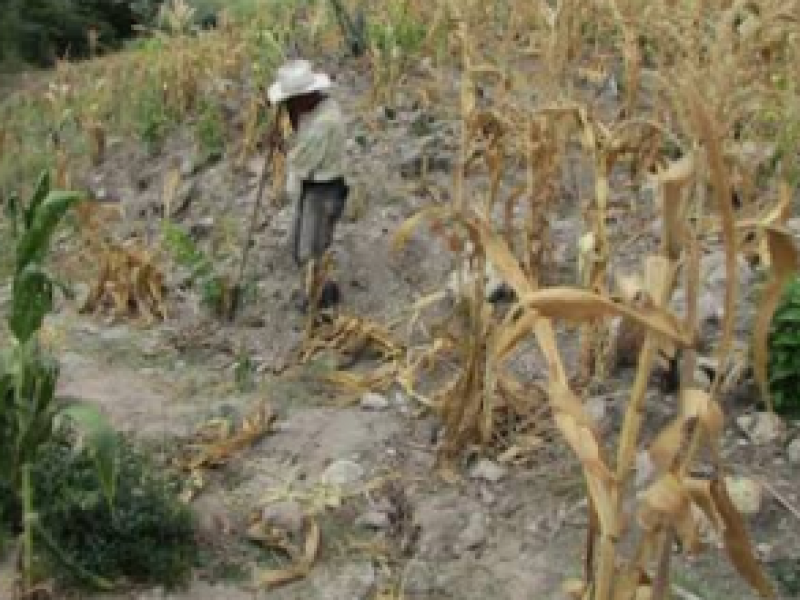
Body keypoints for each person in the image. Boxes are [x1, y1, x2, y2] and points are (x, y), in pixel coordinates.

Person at [267, 59, 349, 312]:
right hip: (311, 184)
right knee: (298, 247)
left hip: (325, 189)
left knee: (311, 250)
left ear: (305, 96)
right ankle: (318, 292)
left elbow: (302, 159)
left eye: (291, 101)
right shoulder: (312, 109)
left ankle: (321, 304)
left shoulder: (325, 122)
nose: (289, 106)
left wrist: (280, 145)